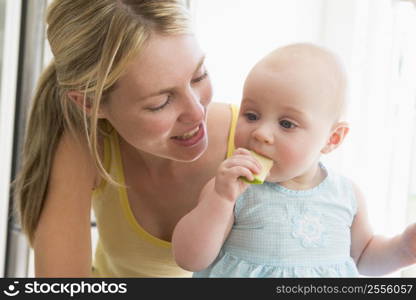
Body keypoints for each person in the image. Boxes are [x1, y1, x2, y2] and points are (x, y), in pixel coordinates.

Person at [13, 0, 239, 277]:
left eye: (199, 76)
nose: (197, 112)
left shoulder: (263, 143)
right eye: (160, 102)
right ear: (90, 103)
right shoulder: (88, 143)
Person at [172, 43, 416, 277]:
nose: (261, 134)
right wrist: (221, 200)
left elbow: (363, 257)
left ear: (332, 139)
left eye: (287, 124)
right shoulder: (230, 190)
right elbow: (190, 259)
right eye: (252, 115)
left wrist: (404, 248)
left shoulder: (346, 195)